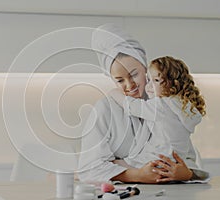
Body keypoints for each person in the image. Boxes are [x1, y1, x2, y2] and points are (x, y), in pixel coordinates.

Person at [78, 24, 209, 183]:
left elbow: (184, 156)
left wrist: (186, 174)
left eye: (134, 74)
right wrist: (138, 175)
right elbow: (89, 169)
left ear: (145, 67)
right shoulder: (105, 109)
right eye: (119, 80)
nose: (129, 85)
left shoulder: (166, 103)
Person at [109, 56, 209, 182]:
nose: (148, 86)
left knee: (111, 165)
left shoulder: (162, 105)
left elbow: (132, 106)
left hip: (156, 161)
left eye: (156, 80)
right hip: (173, 164)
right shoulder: (183, 106)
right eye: (148, 80)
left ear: (172, 83)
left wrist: (114, 92)